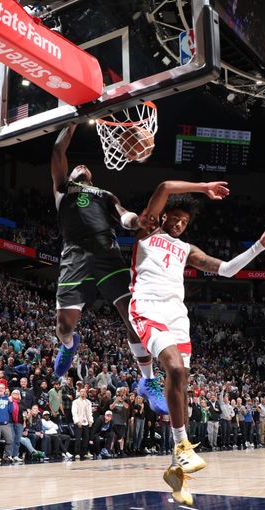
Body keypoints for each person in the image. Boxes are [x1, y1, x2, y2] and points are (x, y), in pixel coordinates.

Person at [129, 180, 265, 505]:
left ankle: (176, 472)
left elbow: (227, 270)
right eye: (175, 217)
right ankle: (183, 445)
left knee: (182, 380)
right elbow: (164, 186)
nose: (179, 223)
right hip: (147, 307)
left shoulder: (187, 250)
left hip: (177, 316)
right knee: (172, 366)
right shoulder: (147, 233)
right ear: (162, 216)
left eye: (185, 222)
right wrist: (203, 187)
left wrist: (259, 245)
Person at [48, 125, 166, 416]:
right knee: (64, 325)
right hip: (74, 255)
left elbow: (124, 216)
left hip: (107, 254)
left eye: (86, 166)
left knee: (133, 319)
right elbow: (57, 150)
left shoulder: (104, 193)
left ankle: (149, 381)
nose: (82, 166)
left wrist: (136, 221)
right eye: (78, 166)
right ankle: (68, 344)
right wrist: (75, 121)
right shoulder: (63, 188)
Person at [71, 386, 93, 460]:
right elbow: (74, 412)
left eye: (84, 392)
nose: (83, 393)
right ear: (79, 393)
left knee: (86, 439)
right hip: (79, 422)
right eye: (81, 392)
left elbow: (90, 413)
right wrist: (77, 421)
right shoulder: (75, 402)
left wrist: (90, 421)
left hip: (86, 422)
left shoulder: (88, 402)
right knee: (78, 439)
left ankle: (85, 453)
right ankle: (77, 453)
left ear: (86, 393)